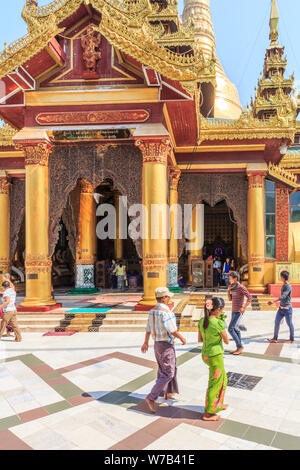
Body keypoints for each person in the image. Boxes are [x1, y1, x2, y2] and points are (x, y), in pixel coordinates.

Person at [141, 287, 186, 413]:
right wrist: (182, 338)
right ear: (164, 298)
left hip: (157, 345)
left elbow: (148, 328)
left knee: (165, 368)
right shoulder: (166, 312)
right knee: (168, 372)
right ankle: (151, 397)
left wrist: (145, 342)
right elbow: (172, 329)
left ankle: (167, 392)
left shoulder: (152, 311)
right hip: (166, 345)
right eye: (168, 296)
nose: (169, 299)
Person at [198, 297, 229, 421]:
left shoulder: (202, 321)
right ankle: (208, 413)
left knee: (223, 380)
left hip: (206, 354)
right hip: (215, 356)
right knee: (215, 383)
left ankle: (218, 404)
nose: (222, 312)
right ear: (217, 309)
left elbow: (200, 339)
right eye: (221, 310)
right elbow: (226, 341)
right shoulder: (217, 323)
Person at [227, 271, 252, 355]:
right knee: (236, 329)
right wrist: (228, 290)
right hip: (233, 310)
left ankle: (240, 346)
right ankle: (238, 347)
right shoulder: (233, 287)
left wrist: (244, 307)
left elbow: (249, 297)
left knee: (230, 329)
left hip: (238, 311)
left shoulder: (241, 287)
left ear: (235, 278)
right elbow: (230, 299)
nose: (229, 280)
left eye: (230, 278)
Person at [268, 270, 294, 344]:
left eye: (281, 276)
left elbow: (284, 296)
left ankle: (291, 338)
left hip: (287, 309)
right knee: (277, 322)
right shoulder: (284, 285)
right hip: (281, 308)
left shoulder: (288, 286)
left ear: (283, 277)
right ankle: (275, 338)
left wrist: (273, 301)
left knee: (289, 324)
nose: (280, 278)